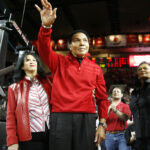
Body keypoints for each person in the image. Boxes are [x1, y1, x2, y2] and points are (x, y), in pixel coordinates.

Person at [35, 0, 109, 150]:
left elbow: (102, 99)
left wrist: (102, 124)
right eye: (77, 40)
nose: (82, 43)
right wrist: (46, 27)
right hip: (61, 117)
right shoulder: (58, 61)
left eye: (85, 41)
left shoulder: (96, 69)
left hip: (87, 118)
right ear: (69, 45)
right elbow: (43, 48)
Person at [6, 51, 52, 150]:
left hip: (51, 134)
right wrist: (12, 141)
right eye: (28, 60)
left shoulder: (48, 82)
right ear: (22, 66)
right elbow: (10, 116)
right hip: (30, 137)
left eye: (34, 60)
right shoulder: (14, 88)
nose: (32, 61)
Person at [130, 61, 150, 150]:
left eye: (145, 68)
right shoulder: (135, 93)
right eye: (139, 69)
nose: (142, 70)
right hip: (139, 136)